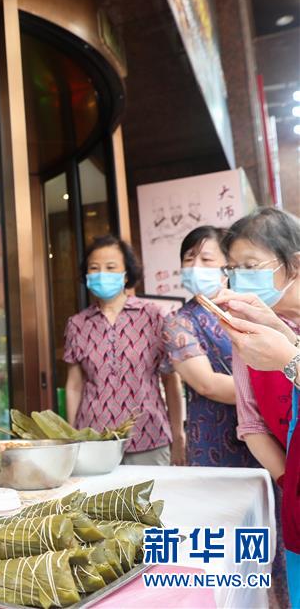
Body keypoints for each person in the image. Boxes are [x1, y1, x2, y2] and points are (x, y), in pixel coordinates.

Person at [212, 207, 300, 608]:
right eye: (234, 268)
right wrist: (289, 482)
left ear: (294, 264)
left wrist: (289, 357)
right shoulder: (248, 334)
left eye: (252, 265)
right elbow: (251, 424)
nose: (241, 277)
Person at [64, 235, 185, 466]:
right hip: (93, 440)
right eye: (94, 268)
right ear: (86, 275)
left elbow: (171, 380)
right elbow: (74, 385)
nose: (102, 274)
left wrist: (178, 435)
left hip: (149, 436)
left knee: (152, 502)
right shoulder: (77, 324)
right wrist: (72, 436)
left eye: (110, 268)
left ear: (126, 274)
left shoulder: (154, 315)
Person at [161, 227, 255, 467]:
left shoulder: (251, 308)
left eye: (206, 259)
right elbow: (207, 384)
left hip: (270, 429)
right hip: (214, 436)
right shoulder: (179, 322)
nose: (195, 267)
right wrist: (276, 391)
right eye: (189, 259)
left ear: (227, 265)